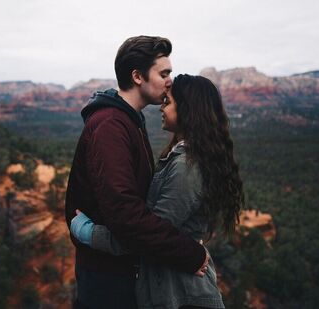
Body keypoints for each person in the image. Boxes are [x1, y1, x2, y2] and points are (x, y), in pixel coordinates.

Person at [71, 74, 245, 308]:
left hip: (183, 296)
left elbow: (148, 236)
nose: (161, 108)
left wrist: (89, 233)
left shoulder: (187, 167)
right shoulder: (186, 157)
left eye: (168, 102)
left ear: (187, 110)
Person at [65, 36, 210, 309]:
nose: (170, 80)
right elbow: (126, 215)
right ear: (137, 76)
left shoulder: (129, 120)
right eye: (163, 73)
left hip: (123, 272)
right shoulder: (110, 126)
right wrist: (190, 253)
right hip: (108, 280)